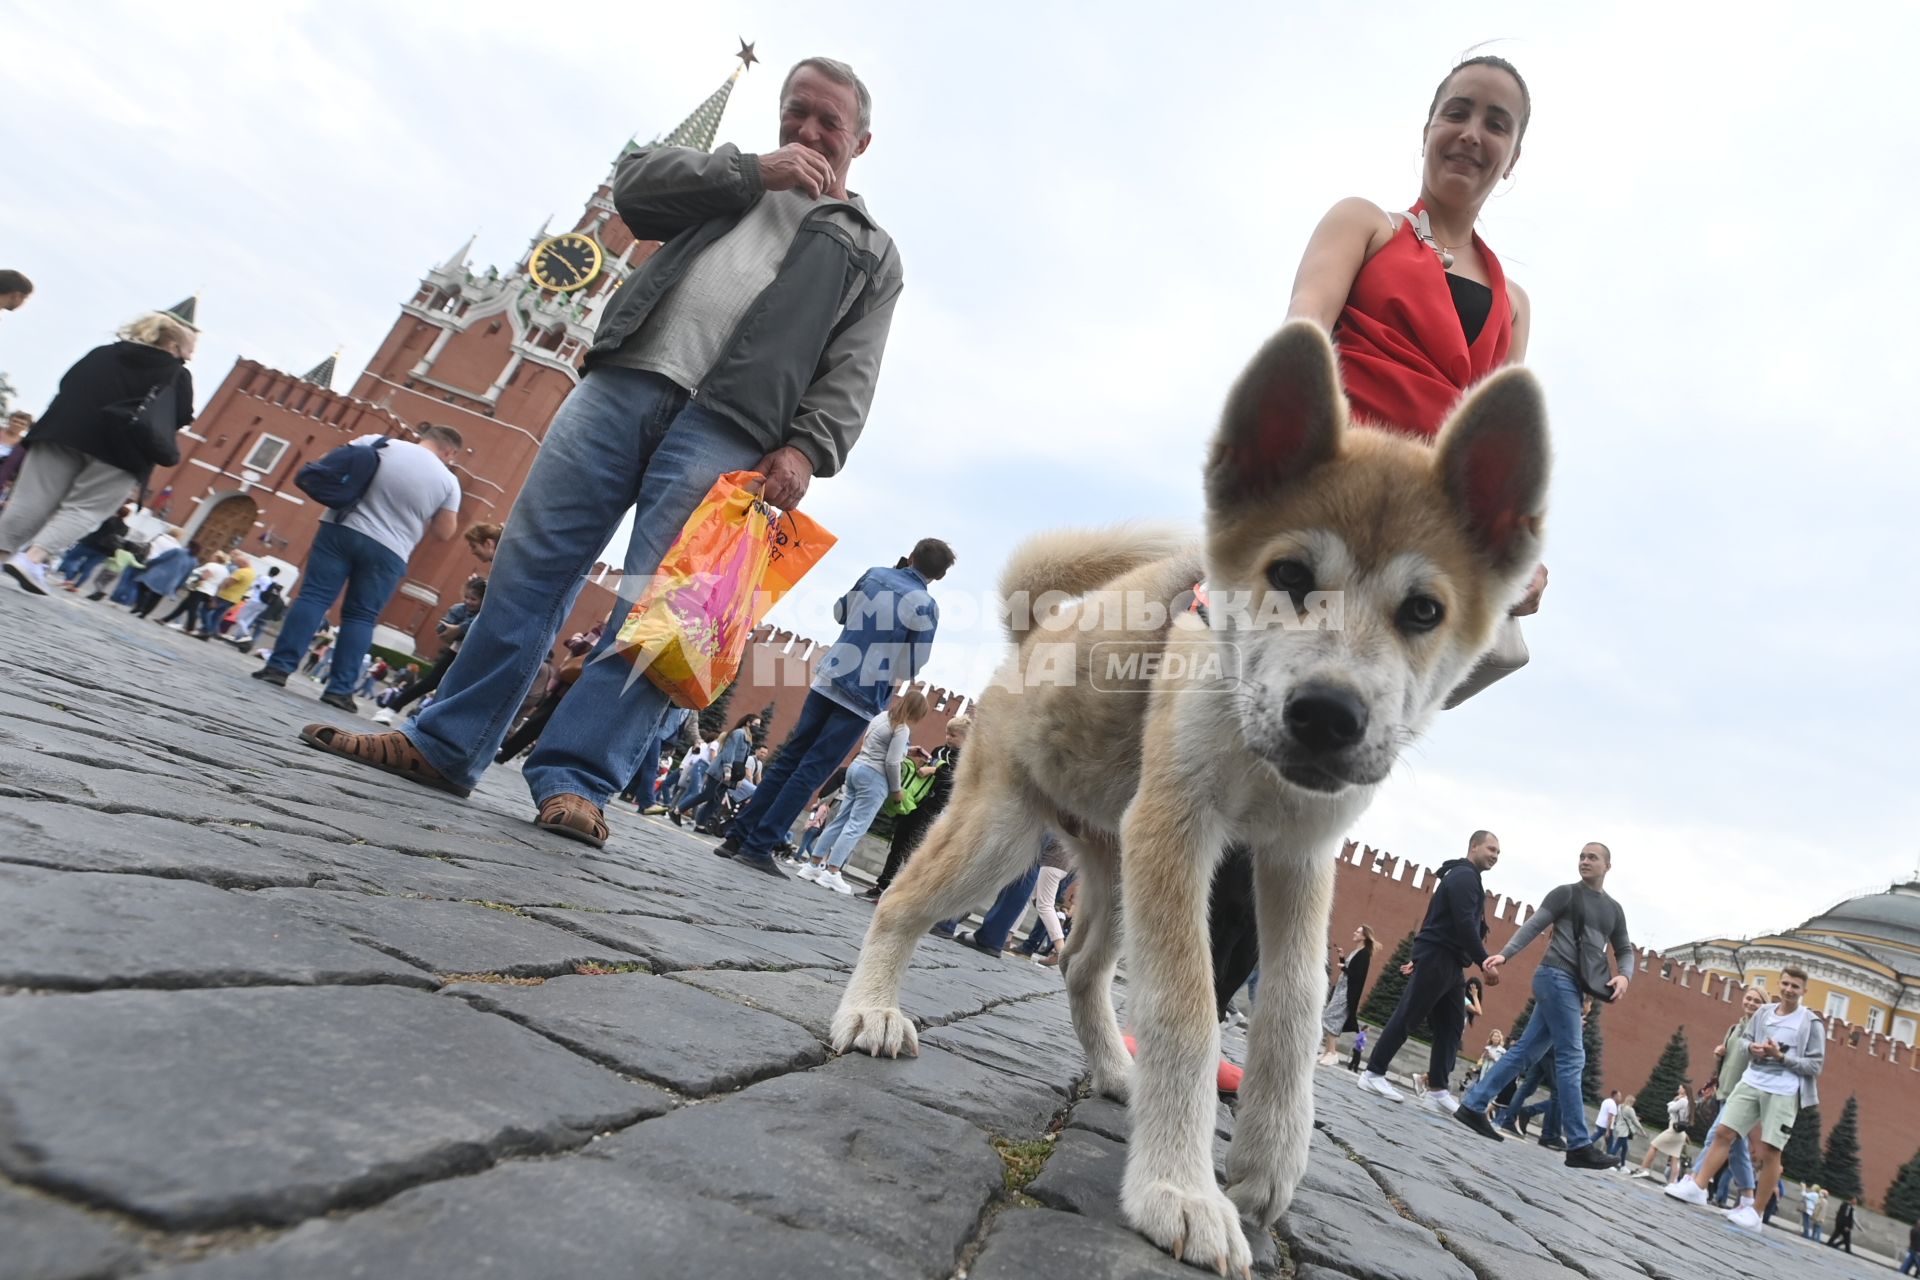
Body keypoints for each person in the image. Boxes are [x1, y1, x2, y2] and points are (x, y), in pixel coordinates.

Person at [300, 57, 903, 850]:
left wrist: (806, 448)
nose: (809, 130)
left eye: (828, 121)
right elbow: (635, 190)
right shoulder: (733, 179)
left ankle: (578, 782)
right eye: (797, 112)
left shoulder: (869, 248)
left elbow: (852, 366)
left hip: (733, 429)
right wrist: (754, 171)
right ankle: (444, 745)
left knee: (664, 613)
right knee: (530, 563)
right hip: (623, 382)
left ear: (861, 140)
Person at [715, 539, 951, 876]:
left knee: (789, 759)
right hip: (863, 695)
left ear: (911, 556)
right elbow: (912, 665)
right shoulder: (926, 606)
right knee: (811, 768)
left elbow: (840, 613)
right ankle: (759, 845)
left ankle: (736, 838)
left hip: (829, 676)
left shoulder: (875, 575)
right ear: (939, 577)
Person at [253, 425, 462, 711]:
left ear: (423, 438)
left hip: (341, 527)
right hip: (390, 550)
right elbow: (444, 532)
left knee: (314, 597)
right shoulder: (448, 481)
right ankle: (338, 690)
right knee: (361, 617)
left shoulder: (377, 441)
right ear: (450, 452)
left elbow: (330, 461)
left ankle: (278, 668)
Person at [1455, 843, 1633, 1172]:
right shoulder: (1565, 894)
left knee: (1525, 1053)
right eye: (1581, 856)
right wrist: (1505, 954)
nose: (1584, 861)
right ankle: (1579, 1143)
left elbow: (1624, 949)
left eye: (1592, 857)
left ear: (1608, 865)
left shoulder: (1613, 910)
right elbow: (1534, 925)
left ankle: (1474, 1105)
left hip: (1573, 987)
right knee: (1572, 1057)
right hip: (1555, 976)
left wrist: (1624, 977)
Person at [0, 311, 195, 594]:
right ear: (174, 347)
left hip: (62, 432)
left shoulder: (103, 353)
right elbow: (181, 416)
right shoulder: (176, 373)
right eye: (188, 353)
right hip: (122, 450)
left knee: (32, 497)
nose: (187, 359)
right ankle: (32, 559)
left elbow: (67, 383)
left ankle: (3, 552)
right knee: (85, 508)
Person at [1663, 966, 1826, 1231]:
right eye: (1785, 984)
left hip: (1783, 1091)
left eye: (1795, 986)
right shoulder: (1763, 1013)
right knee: (1724, 1133)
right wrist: (1752, 1048)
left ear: (1804, 991)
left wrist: (1780, 1057)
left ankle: (1756, 1213)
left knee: (1771, 1150)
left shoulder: (1809, 1022)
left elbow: (1815, 1066)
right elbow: (1743, 1042)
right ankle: (1698, 1186)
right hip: (1751, 1081)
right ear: (1779, 985)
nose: (1789, 990)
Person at [1359, 830, 1502, 1112]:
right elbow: (1464, 925)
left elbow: (1441, 919)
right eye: (1491, 849)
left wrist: (1420, 954)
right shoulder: (1463, 877)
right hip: (1440, 957)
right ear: (1474, 846)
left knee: (1450, 1027)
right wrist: (1484, 961)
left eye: (1498, 852)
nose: (1495, 856)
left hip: (1449, 963)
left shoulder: (1468, 878)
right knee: (1408, 1015)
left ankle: (1436, 1089)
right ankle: (1373, 1073)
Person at [800, 689, 931, 894]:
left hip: (857, 768)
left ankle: (813, 865)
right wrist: (896, 790)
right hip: (874, 777)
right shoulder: (902, 729)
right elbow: (891, 762)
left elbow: (880, 745)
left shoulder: (882, 717)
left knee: (840, 820)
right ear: (916, 711)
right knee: (856, 825)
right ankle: (832, 872)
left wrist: (908, 749)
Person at [865, 714, 968, 900]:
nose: (948, 738)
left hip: (933, 808)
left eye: (953, 735)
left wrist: (935, 770)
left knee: (914, 850)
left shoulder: (964, 759)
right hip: (916, 802)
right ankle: (883, 884)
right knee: (898, 843)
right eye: (947, 733)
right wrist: (926, 761)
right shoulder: (939, 750)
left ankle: (903, 892)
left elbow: (955, 777)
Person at [673, 713, 761, 828]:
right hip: (720, 772)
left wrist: (738, 777)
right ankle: (677, 810)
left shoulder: (748, 738)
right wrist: (728, 770)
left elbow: (741, 759)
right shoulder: (739, 733)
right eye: (756, 724)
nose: (757, 728)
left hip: (731, 774)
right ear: (748, 723)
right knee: (707, 795)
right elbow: (729, 752)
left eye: (759, 725)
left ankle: (700, 825)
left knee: (715, 801)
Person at [1319, 925, 1376, 1064]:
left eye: (1358, 931)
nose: (1354, 932)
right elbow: (1350, 970)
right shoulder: (1357, 951)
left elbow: (1358, 976)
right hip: (1340, 990)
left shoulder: (1364, 954)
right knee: (1331, 1019)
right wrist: (1342, 958)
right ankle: (1327, 1052)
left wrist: (1344, 967)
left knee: (1329, 1018)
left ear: (1364, 936)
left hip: (1347, 993)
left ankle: (1332, 1053)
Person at [55, 503, 134, 589]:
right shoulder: (125, 528)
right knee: (88, 568)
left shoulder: (107, 519)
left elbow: (94, 527)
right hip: (105, 551)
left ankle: (69, 580)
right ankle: (76, 586)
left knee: (71, 558)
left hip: (89, 543)